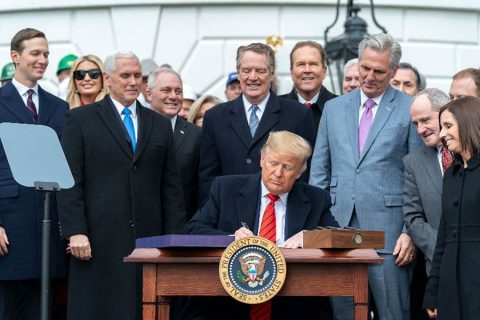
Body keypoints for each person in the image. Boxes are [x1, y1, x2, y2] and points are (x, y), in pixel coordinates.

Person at [57, 50, 185, 320]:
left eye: (137, 75)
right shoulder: (81, 119)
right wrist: (75, 231)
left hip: (149, 243)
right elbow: (70, 180)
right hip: (97, 241)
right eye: (125, 75)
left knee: (145, 310)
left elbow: (171, 188)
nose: (132, 81)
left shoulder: (160, 125)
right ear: (108, 78)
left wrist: (175, 242)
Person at [309, 33, 422, 320]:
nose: (369, 76)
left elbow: (418, 177)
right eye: (365, 68)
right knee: (343, 313)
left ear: (394, 71)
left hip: (391, 233)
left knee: (393, 313)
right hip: (336, 226)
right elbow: (319, 172)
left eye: (379, 71)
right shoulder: (334, 109)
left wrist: (410, 232)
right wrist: (315, 227)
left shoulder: (409, 109)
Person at [185, 131, 338, 319]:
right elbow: (193, 230)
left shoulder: (316, 199)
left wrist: (310, 237)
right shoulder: (226, 189)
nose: (278, 173)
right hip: (229, 301)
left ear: (299, 172)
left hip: (294, 302)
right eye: (273, 163)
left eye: (288, 167)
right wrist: (230, 239)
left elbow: (340, 236)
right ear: (262, 160)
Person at [0, 28, 69, 319]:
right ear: (15, 57)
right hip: (9, 229)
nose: (43, 60)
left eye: (46, 54)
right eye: (36, 53)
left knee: (42, 309)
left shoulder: (60, 107)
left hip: (49, 226)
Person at [198, 42, 316, 206]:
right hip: (229, 213)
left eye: (260, 71)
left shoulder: (298, 114)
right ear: (239, 73)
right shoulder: (215, 117)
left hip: (281, 212)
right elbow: (207, 177)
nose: (252, 77)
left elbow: (306, 171)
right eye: (246, 71)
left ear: (272, 74)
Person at [424, 96, 480, 319]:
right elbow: (443, 238)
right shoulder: (451, 175)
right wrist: (433, 291)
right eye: (441, 127)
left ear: (468, 123)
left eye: (448, 126)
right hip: (450, 284)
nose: (442, 134)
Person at [403, 88, 450, 320]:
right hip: (438, 269)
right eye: (415, 124)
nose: (420, 129)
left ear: (444, 114)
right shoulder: (413, 162)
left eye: (425, 120)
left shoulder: (472, 153)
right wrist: (442, 249)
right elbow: (413, 218)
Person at [147, 66, 201, 220]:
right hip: (142, 225)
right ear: (149, 93)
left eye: (178, 91)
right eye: (166, 90)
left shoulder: (196, 135)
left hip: (183, 225)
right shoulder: (135, 130)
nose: (173, 96)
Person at [280, 41, 336, 134]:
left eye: (313, 64)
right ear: (291, 72)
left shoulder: (340, 108)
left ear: (324, 71)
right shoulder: (274, 108)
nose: (307, 70)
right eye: (301, 64)